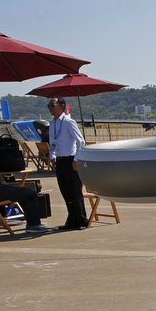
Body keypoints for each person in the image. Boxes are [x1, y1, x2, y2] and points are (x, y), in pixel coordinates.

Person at [46, 97, 88, 230]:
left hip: (71, 160)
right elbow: (52, 143)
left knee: (75, 192)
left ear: (62, 106)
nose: (50, 108)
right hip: (60, 161)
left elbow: (81, 142)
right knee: (65, 192)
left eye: (53, 105)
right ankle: (71, 219)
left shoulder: (69, 122)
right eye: (49, 105)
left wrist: (76, 159)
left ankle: (81, 220)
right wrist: (52, 156)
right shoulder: (52, 123)